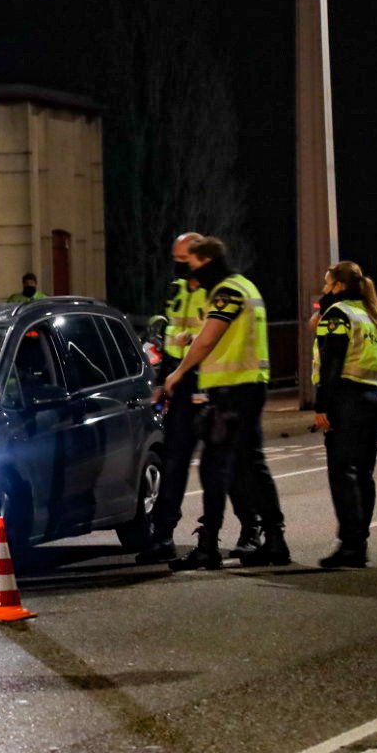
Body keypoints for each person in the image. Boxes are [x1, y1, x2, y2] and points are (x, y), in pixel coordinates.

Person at [162, 237, 288, 569]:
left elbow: (209, 338)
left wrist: (178, 372)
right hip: (246, 387)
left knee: (215, 467)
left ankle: (208, 546)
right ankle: (274, 539)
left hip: (234, 391)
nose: (191, 273)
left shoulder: (228, 291)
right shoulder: (246, 286)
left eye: (193, 265)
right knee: (249, 466)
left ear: (205, 261)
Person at [140, 232, 264, 564]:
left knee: (226, 464)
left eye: (185, 260)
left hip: (213, 381)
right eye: (177, 259)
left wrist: (185, 353)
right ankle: (163, 534)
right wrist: (163, 378)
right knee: (175, 460)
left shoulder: (219, 290)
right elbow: (169, 339)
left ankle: (251, 530)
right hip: (181, 383)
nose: (180, 266)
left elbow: (211, 337)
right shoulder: (178, 291)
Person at [312, 261, 377, 568]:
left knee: (343, 473)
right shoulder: (372, 315)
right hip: (372, 397)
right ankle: (359, 541)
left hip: (347, 398)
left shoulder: (339, 314)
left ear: (339, 286)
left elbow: (332, 364)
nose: (324, 288)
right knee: (363, 473)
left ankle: (351, 545)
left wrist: (322, 405)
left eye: (327, 283)